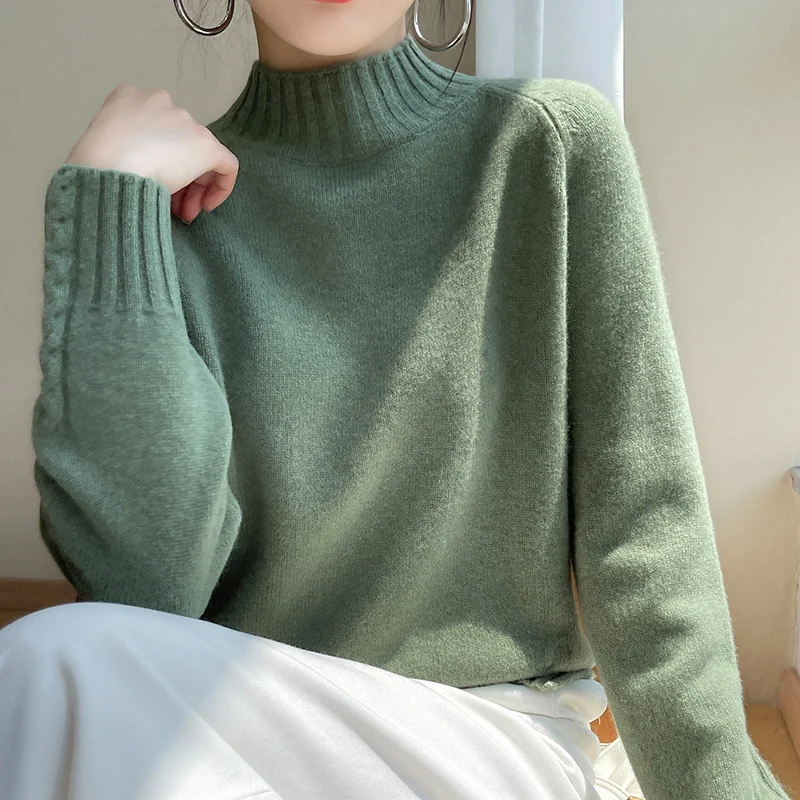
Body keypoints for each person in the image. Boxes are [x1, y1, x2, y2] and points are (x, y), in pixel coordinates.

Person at [0, 1, 790, 798]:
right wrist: (110, 199)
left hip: (490, 742)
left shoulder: (544, 145)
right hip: (246, 741)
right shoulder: (174, 211)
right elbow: (141, 596)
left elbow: (646, 533)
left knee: (48, 663)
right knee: (52, 665)